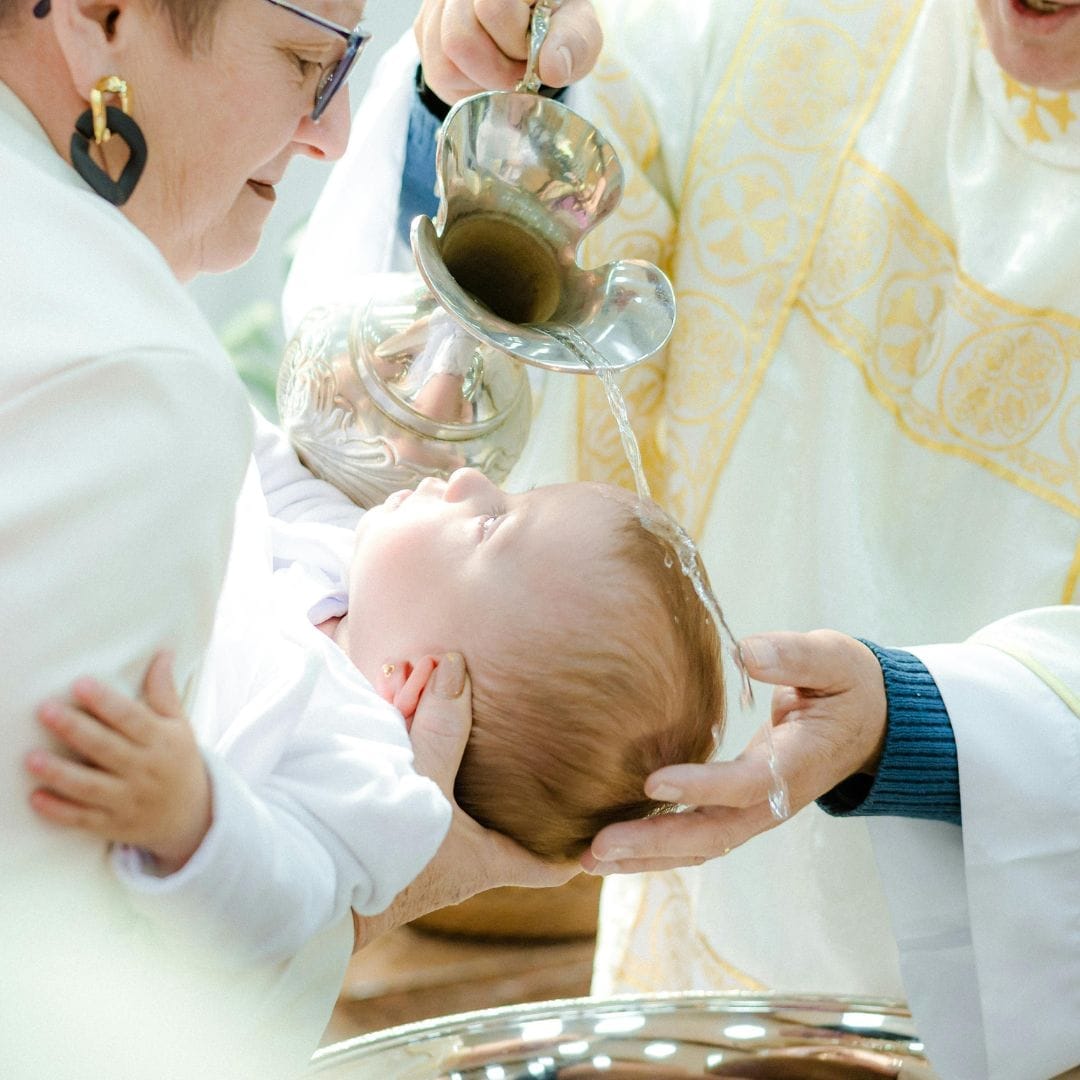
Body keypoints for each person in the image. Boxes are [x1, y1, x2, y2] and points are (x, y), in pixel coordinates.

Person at [280, 0, 1080, 1076]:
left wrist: (916, 725)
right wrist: (480, 92)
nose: (470, 483)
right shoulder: (782, 25)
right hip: (695, 961)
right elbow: (442, 339)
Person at [0, 2, 565, 1077]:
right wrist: (381, 897)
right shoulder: (126, 381)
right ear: (97, 16)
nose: (334, 129)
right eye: (308, 60)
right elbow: (43, 989)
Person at [26, 466, 725, 964]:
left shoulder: (373, 777)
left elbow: (280, 913)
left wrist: (188, 818)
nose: (470, 478)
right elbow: (251, 458)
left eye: (489, 525)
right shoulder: (346, 565)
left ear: (428, 677)